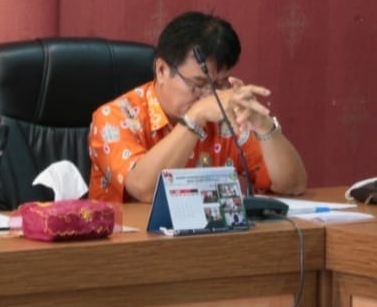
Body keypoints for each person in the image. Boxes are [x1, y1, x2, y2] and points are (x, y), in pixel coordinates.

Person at [88, 11, 307, 203]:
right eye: (199, 84)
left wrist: (264, 127)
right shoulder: (113, 117)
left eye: (219, 84)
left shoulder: (226, 115)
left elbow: (293, 185)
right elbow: (144, 189)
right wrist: (195, 116)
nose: (210, 96)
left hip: (207, 236)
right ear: (162, 70)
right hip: (129, 237)